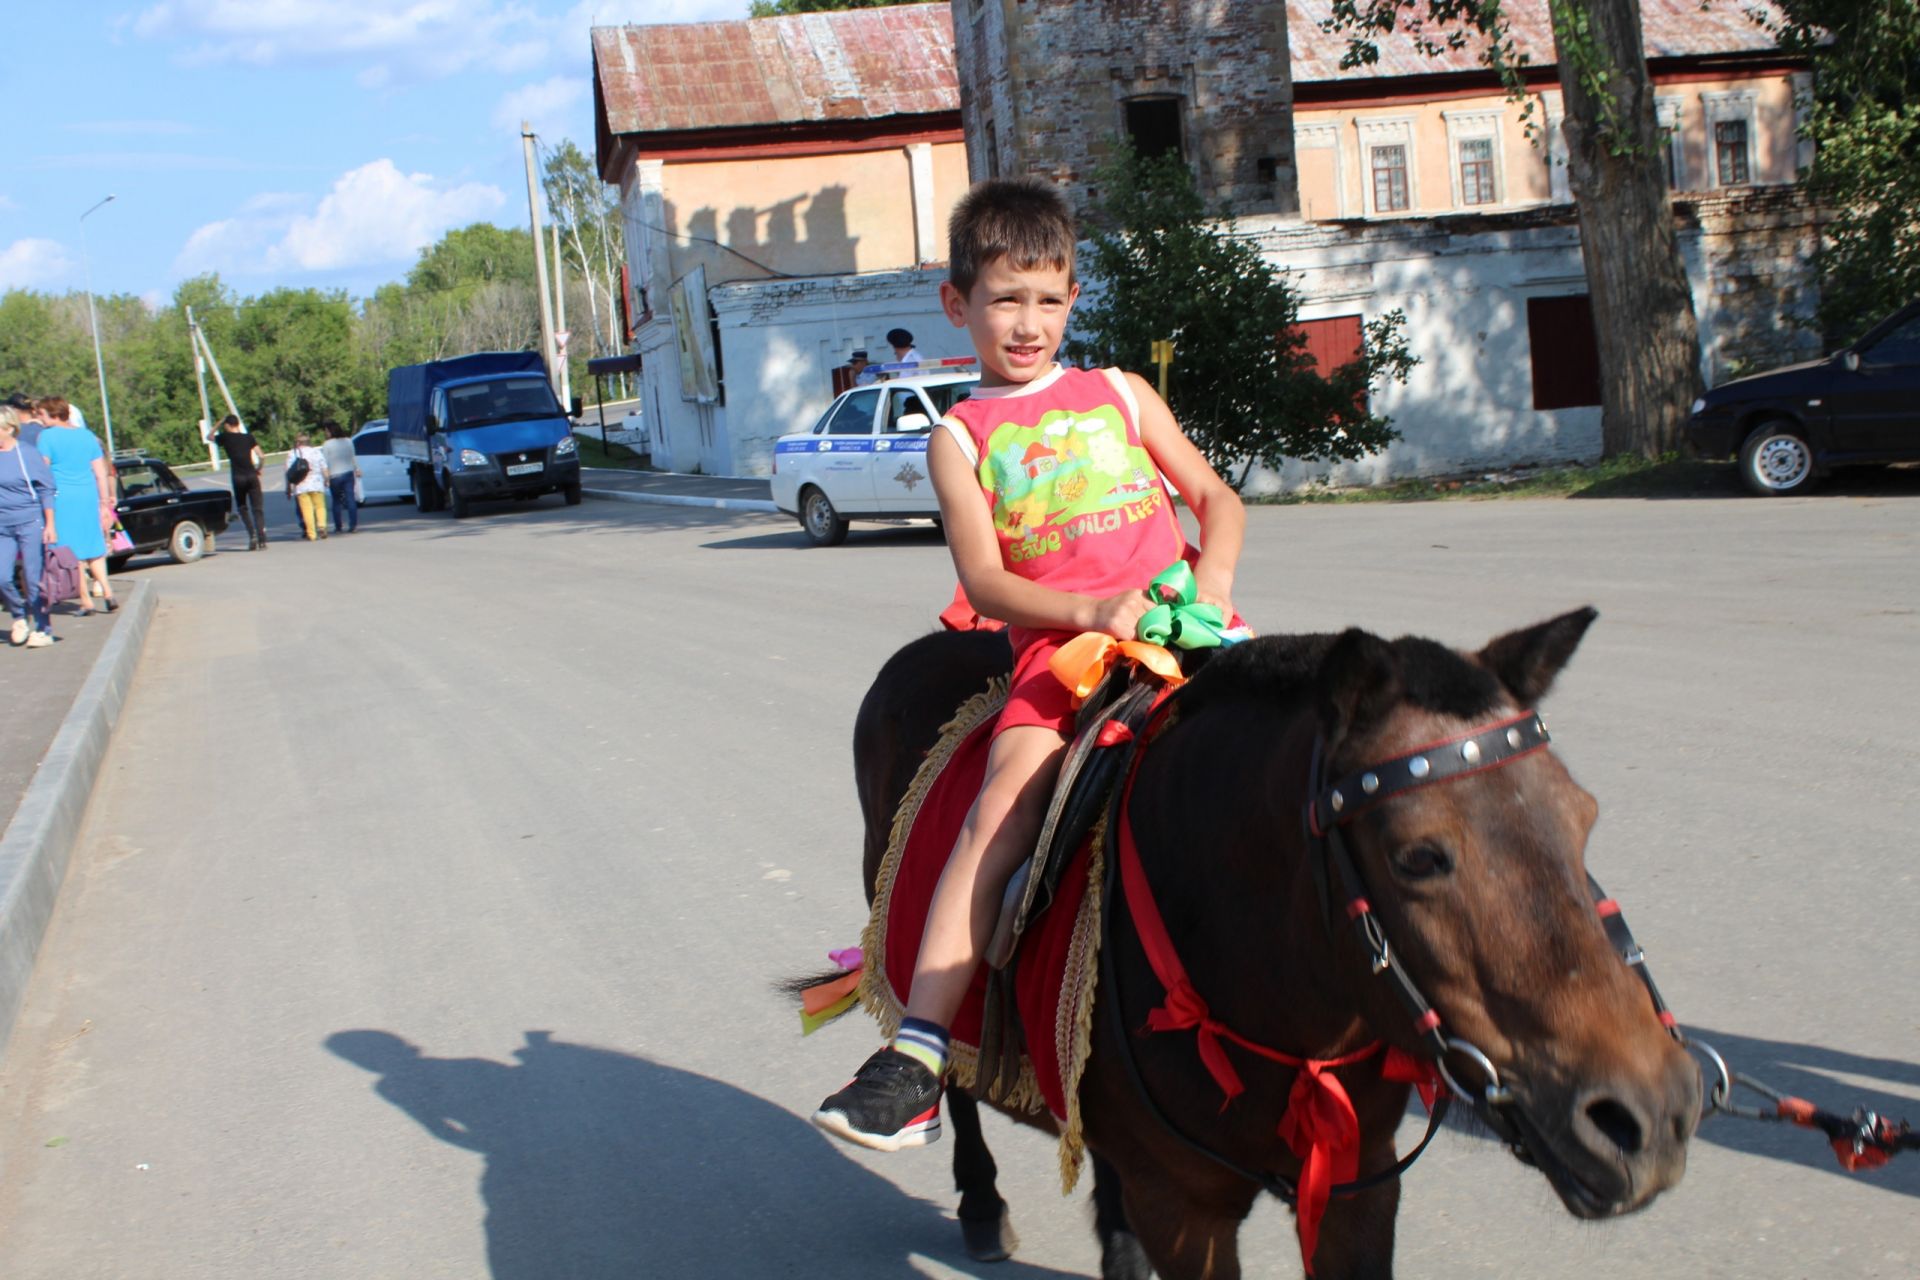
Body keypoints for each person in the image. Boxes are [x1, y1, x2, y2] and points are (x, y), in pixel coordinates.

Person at [811, 178, 1245, 1150]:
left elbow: (1219, 502)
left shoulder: (1123, 394)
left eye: (1048, 299)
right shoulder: (960, 437)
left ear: (1074, 299)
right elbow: (987, 580)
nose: (1028, 321)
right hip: (1066, 653)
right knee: (997, 811)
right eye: (1006, 298)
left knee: (1307, 750)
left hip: (1187, 634)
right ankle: (919, 1054)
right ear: (956, 302)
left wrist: (1208, 594)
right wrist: (1091, 609)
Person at [35, 397, 117, 616]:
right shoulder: (86, 435)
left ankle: (86, 600)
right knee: (93, 546)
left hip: (62, 498)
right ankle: (108, 591)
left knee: (71, 553)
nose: (39, 419)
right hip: (88, 496)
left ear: (53, 414)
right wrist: (104, 502)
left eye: (41, 414)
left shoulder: (46, 437)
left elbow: (43, 471)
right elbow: (101, 473)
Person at [0, 407, 57, 648]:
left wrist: (50, 524)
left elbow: (46, 489)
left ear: (9, 428)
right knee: (2, 577)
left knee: (33, 578)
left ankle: (43, 628)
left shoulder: (27, 454)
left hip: (30, 522)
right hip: (3, 525)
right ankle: (19, 616)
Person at [211, 413, 267, 551]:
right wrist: (258, 468)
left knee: (242, 507)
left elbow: (209, 436)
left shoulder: (225, 438)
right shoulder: (248, 437)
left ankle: (252, 534)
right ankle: (262, 539)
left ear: (228, 426)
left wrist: (219, 421)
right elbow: (262, 455)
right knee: (257, 508)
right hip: (252, 475)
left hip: (238, 477)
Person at [286, 431, 330, 540]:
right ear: (308, 441)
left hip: (301, 486)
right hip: (317, 484)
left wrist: (289, 487)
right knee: (320, 506)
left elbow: (289, 472)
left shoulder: (293, 453)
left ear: (297, 442)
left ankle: (311, 534)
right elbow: (324, 467)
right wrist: (327, 479)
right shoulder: (316, 452)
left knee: (307, 510)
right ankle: (322, 526)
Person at [320, 422, 361, 534]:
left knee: (336, 501)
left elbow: (325, 462)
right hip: (348, 473)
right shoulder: (348, 441)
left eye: (327, 430)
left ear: (331, 431)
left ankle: (338, 525)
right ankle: (353, 525)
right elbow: (353, 456)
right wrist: (357, 469)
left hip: (334, 476)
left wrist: (326, 478)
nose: (326, 433)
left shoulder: (327, 444)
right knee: (350, 499)